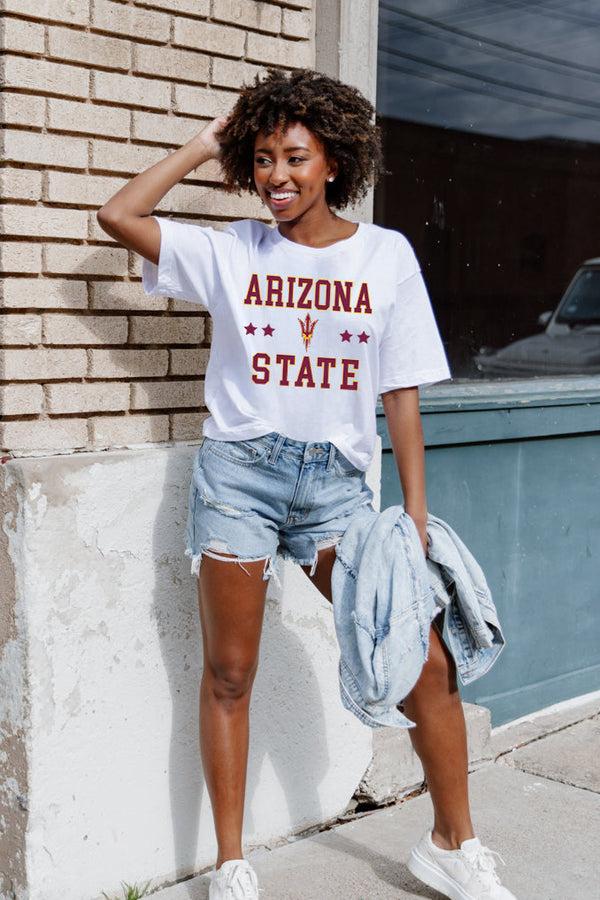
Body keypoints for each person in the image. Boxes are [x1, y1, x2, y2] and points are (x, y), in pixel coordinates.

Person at [97, 68, 516, 900]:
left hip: (336, 490)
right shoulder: (232, 253)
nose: (276, 177)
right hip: (240, 479)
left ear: (335, 162)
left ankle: (451, 843)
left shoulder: (384, 254)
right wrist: (207, 141)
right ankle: (231, 863)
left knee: (424, 660)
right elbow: (119, 215)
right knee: (229, 673)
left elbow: (399, 394)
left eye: (294, 156)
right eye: (259, 158)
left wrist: (415, 520)